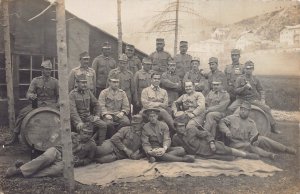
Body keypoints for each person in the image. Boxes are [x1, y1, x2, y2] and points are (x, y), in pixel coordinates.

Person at [5, 126, 97, 178]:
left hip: (67, 160)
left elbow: (89, 159)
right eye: (85, 133)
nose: (87, 136)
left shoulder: (92, 145)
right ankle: (18, 171)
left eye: (89, 133)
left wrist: (79, 161)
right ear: (80, 132)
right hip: (57, 151)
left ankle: (20, 172)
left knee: (56, 171)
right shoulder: (72, 135)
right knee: (47, 157)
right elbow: (57, 145)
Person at [219, 101, 296, 159]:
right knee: (249, 146)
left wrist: (254, 140)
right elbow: (221, 122)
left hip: (247, 141)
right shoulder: (232, 118)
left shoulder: (251, 122)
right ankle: (269, 155)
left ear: (249, 112)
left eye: (245, 110)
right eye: (241, 109)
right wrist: (227, 130)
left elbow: (254, 135)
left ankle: (285, 149)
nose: (242, 111)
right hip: (235, 144)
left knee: (262, 139)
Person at [9, 60, 59, 144]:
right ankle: (15, 136)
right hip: (37, 103)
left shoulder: (55, 81)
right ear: (42, 70)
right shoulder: (35, 80)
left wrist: (58, 103)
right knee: (22, 113)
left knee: (61, 116)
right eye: (46, 69)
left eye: (50, 69)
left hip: (51, 104)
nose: (48, 71)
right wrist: (31, 96)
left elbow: (59, 95)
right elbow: (29, 93)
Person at [227, 61, 280, 134]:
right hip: (241, 99)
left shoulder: (255, 79)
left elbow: (261, 90)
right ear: (244, 69)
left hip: (252, 99)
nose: (248, 70)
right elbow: (236, 91)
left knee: (267, 108)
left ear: (253, 69)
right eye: (247, 68)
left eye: (250, 68)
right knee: (230, 109)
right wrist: (244, 87)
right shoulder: (240, 78)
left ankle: (273, 127)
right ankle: (229, 126)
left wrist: (262, 99)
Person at [172, 121, 260, 160]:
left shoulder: (192, 130)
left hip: (208, 146)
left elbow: (206, 134)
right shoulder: (176, 138)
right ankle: (237, 155)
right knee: (229, 158)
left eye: (182, 126)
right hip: (201, 155)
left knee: (227, 150)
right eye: (179, 126)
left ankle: (247, 155)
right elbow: (179, 149)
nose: (181, 128)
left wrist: (211, 143)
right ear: (175, 128)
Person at [69, 74, 107, 145]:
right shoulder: (72, 94)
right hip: (78, 119)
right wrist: (78, 122)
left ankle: (100, 145)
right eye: (82, 83)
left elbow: (97, 104)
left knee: (103, 125)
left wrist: (97, 115)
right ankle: (81, 148)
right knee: (82, 131)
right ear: (77, 83)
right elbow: (73, 110)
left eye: (86, 82)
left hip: (89, 117)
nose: (85, 85)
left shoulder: (88, 92)